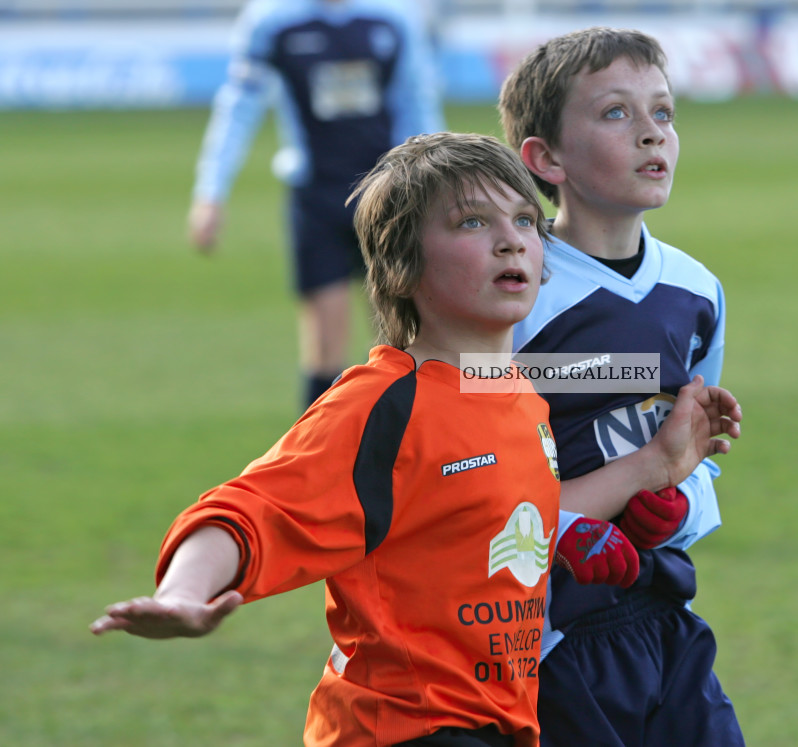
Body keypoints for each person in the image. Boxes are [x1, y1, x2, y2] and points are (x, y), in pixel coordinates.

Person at [91, 132, 741, 747]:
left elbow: (502, 514)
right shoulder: (382, 403)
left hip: (499, 723)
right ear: (402, 265)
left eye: (523, 220)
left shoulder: (518, 399)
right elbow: (248, 510)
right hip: (405, 727)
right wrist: (182, 593)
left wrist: (644, 474)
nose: (511, 241)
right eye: (472, 223)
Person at [499, 28, 746, 746]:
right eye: (616, 114)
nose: (650, 135)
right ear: (547, 158)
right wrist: (582, 523)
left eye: (663, 113)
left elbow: (688, 450)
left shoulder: (697, 290)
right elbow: (466, 451)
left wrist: (677, 503)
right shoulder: (515, 289)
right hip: (546, 634)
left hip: (663, 614)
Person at [187, 0, 445, 410]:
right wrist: (210, 193)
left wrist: (439, 188)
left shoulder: (395, 16)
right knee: (325, 345)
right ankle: (321, 461)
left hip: (390, 200)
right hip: (316, 197)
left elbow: (416, 103)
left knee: (397, 341)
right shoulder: (272, 20)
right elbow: (238, 105)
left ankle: (403, 453)